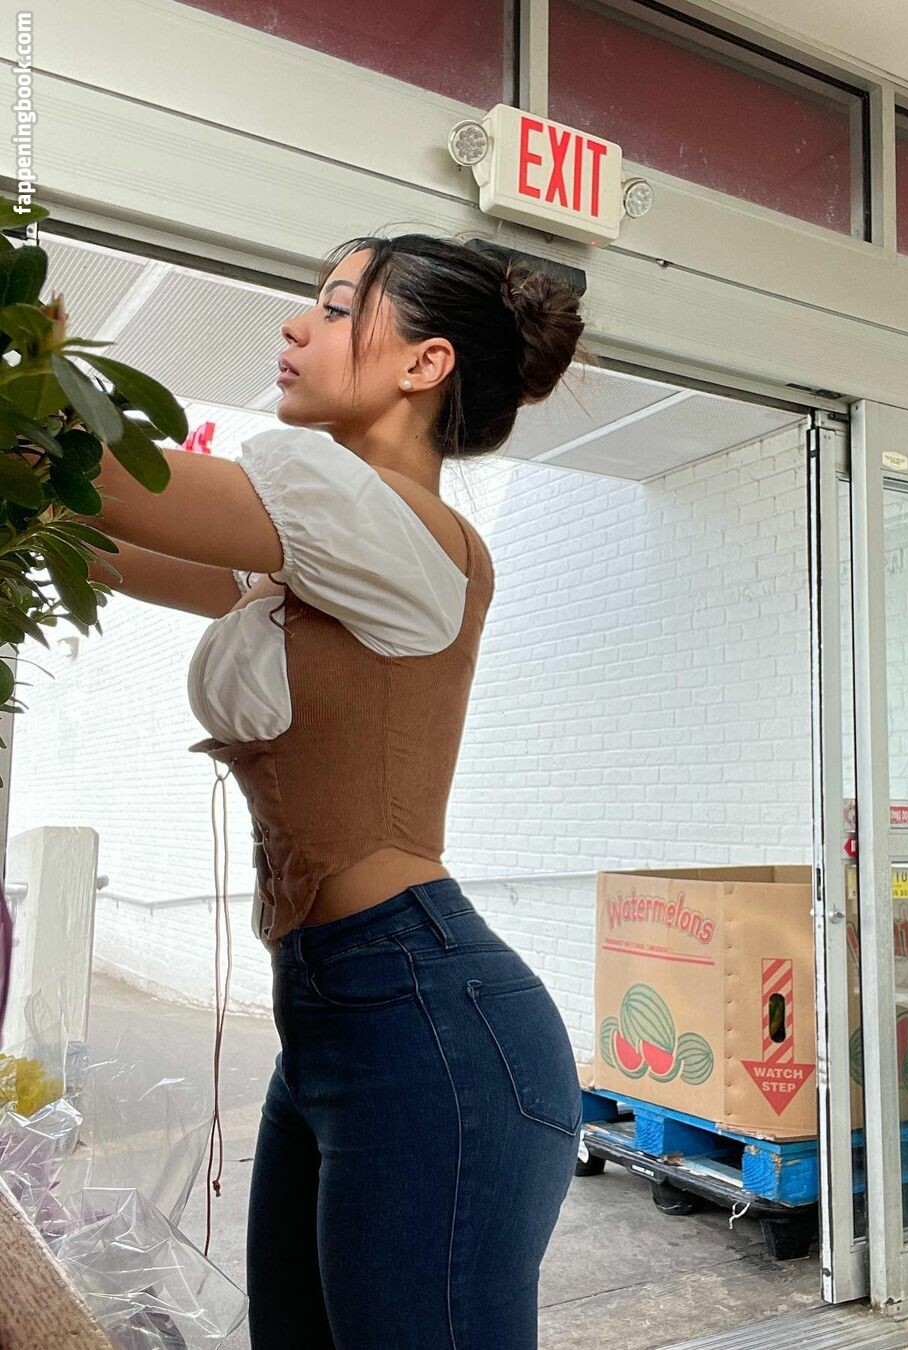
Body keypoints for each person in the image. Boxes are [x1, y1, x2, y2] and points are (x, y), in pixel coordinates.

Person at [83, 234, 586, 1349]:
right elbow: (97, 535)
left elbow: (110, 479)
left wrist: (38, 396)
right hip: (340, 1011)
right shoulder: (328, 549)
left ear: (424, 363)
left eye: (338, 306)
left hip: (425, 1021)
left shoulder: (395, 527)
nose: (295, 325)